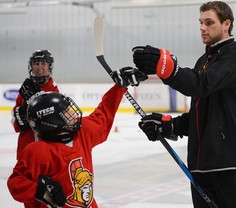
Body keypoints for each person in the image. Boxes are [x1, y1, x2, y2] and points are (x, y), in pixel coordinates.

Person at [132, 1, 236, 208]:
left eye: (209, 22)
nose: (202, 27)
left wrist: (168, 69)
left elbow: (200, 84)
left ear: (227, 24)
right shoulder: (204, 61)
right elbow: (200, 114)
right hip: (202, 168)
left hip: (232, 166)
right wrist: (168, 126)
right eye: (200, 22)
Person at [7, 66, 148, 208]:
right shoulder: (38, 151)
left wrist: (119, 87)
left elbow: (103, 115)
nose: (73, 114)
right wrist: (40, 190)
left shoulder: (82, 132)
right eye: (67, 112)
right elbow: (15, 182)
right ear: (53, 121)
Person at [12, 50, 59, 161]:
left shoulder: (57, 92)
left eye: (43, 63)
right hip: (26, 150)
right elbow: (16, 126)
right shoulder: (24, 92)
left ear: (50, 66)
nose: (39, 67)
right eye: (35, 63)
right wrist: (23, 116)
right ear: (31, 67)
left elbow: (61, 126)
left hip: (48, 151)